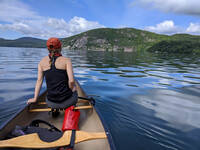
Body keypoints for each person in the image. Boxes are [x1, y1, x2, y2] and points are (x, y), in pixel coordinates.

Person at [27, 37, 77, 109]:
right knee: (74, 89)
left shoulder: (41, 62)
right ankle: (71, 109)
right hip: (67, 102)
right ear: (60, 47)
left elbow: (39, 81)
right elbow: (71, 81)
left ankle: (54, 111)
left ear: (48, 48)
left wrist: (35, 98)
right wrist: (73, 88)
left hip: (51, 103)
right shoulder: (67, 60)